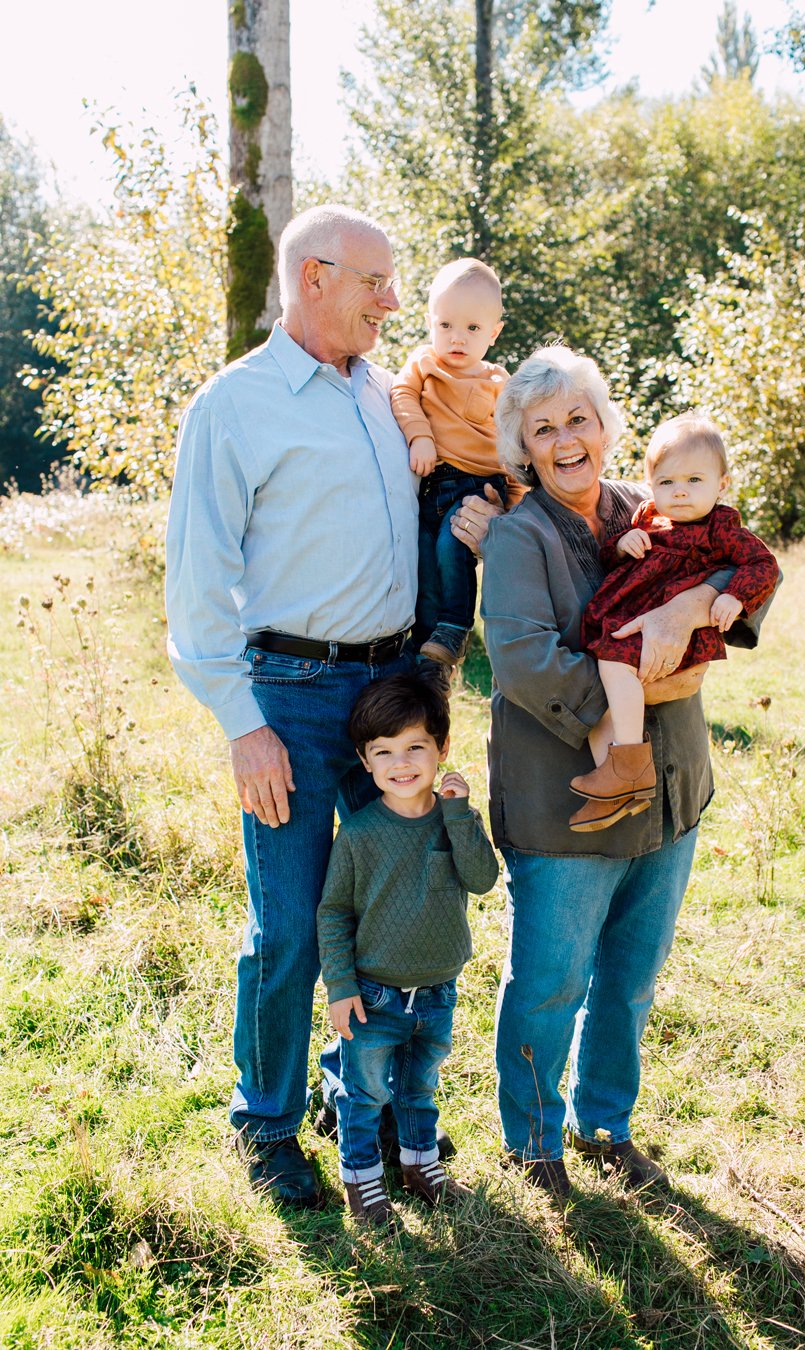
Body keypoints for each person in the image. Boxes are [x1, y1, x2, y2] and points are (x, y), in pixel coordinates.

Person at [165, 204, 419, 1208]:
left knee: (389, 916)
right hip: (294, 698)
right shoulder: (235, 407)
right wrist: (244, 725)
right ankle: (264, 1124)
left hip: (394, 691)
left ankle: (348, 1093)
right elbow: (196, 585)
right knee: (291, 928)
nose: (394, 303)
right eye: (376, 284)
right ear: (314, 277)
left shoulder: (390, 396)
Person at [475, 345, 774, 1197]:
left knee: (632, 978)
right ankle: (533, 1145)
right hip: (568, 797)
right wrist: (647, 685)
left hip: (673, 790)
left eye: (579, 418)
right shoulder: (518, 535)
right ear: (523, 448)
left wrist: (689, 604)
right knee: (551, 981)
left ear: (606, 426)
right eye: (543, 428)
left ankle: (604, 1124)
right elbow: (525, 660)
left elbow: (747, 566)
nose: (566, 439)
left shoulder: (662, 504)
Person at [317, 669, 498, 1227]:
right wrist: (342, 988)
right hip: (373, 995)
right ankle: (363, 1181)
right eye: (384, 751)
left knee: (420, 1089)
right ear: (365, 762)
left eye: (415, 746)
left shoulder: (455, 822)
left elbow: (483, 877)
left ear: (441, 749)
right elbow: (333, 913)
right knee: (366, 1095)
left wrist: (459, 813)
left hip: (438, 991)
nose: (402, 763)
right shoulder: (360, 834)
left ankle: (420, 1165)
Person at [569, 412, 779, 830]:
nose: (679, 493)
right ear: (651, 485)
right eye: (666, 482)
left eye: (694, 481)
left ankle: (628, 765)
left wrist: (733, 596)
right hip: (631, 618)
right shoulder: (647, 516)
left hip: (660, 633)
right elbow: (610, 558)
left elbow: (764, 564)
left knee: (612, 666)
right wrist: (622, 543)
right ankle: (621, 787)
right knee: (598, 718)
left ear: (721, 484)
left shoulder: (720, 527)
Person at [390, 259, 519, 666]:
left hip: (477, 485)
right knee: (425, 558)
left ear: (494, 333)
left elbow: (517, 446)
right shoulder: (424, 364)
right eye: (445, 326)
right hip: (435, 483)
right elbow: (401, 395)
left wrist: (514, 502)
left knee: (453, 544)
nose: (456, 338)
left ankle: (456, 626)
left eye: (472, 329)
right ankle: (426, 637)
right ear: (430, 323)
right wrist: (420, 435)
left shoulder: (500, 383)